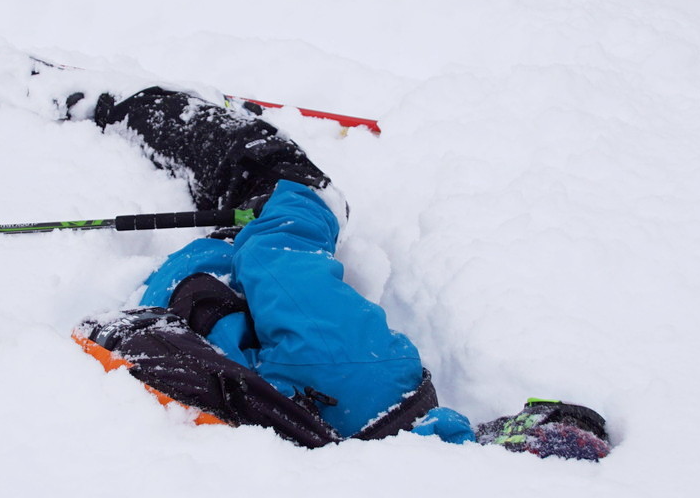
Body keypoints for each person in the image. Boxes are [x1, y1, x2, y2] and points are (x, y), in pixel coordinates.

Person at [50, 80, 611, 460]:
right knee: (279, 204)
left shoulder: (357, 377)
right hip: (237, 328)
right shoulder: (331, 415)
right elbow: (275, 271)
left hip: (240, 292)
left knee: (284, 194)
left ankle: (110, 101)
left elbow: (275, 266)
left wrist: (298, 207)